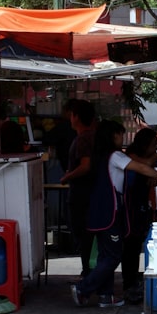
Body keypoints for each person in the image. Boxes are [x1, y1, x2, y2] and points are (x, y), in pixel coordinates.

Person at [71, 120, 157, 308]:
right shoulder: (115, 156)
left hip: (97, 212)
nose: (122, 138)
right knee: (113, 256)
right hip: (109, 213)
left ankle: (106, 296)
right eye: (121, 134)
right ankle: (83, 288)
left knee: (106, 256)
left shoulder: (99, 156)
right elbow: (141, 167)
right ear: (113, 136)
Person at [120, 127, 157, 303]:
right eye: (154, 144)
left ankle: (133, 283)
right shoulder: (130, 155)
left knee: (136, 246)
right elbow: (144, 165)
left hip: (141, 206)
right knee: (130, 248)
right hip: (130, 208)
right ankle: (129, 285)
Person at [59, 99, 97, 278]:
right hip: (90, 193)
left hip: (82, 194)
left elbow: (85, 165)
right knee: (87, 234)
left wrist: (67, 176)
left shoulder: (83, 139)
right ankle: (89, 270)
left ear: (77, 117)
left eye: (72, 114)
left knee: (83, 234)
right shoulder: (93, 136)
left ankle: (87, 272)